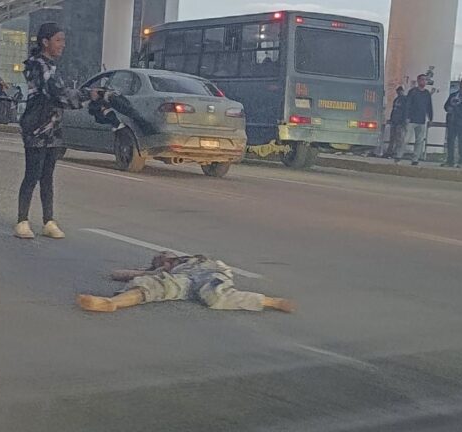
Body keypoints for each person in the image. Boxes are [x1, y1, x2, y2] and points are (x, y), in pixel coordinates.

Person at [15, 22, 86, 239]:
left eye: (63, 40)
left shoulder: (53, 66)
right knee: (32, 175)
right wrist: (86, 96)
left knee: (47, 176)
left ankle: (49, 220)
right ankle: (22, 221)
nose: (62, 45)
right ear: (45, 42)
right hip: (36, 128)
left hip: (53, 129)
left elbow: (61, 96)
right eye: (58, 40)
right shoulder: (37, 65)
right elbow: (56, 93)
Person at [77, 252, 295, 313]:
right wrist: (148, 271)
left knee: (214, 295)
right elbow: (118, 273)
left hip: (207, 272)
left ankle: (270, 301)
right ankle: (111, 303)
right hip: (185, 281)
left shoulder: (193, 259)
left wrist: (165, 264)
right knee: (151, 287)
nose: (164, 258)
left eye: (164, 256)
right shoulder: (164, 272)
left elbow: (209, 267)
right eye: (160, 259)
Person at [397, 74, 433, 165]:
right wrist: (407, 117)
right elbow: (407, 105)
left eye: (425, 80)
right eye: (422, 80)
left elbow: (429, 106)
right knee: (405, 139)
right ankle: (399, 156)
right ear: (418, 81)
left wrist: (431, 118)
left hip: (421, 120)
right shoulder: (412, 92)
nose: (423, 81)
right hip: (411, 120)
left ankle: (415, 159)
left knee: (419, 141)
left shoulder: (427, 94)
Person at [386, 86, 408, 159]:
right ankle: (390, 152)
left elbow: (405, 111)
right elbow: (393, 110)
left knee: (399, 138)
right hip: (394, 121)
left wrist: (403, 121)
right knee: (392, 138)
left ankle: (397, 153)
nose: (399, 92)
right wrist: (391, 119)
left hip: (400, 122)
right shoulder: (396, 100)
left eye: (400, 91)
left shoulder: (405, 100)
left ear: (402, 91)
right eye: (398, 91)